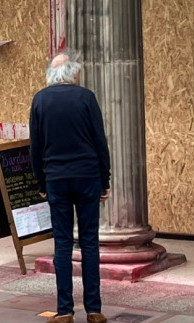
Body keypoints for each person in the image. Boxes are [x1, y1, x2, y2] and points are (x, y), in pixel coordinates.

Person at [29, 50, 111, 323]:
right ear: (73, 72)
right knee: (89, 243)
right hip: (87, 176)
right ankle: (94, 309)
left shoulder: (40, 100)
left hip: (56, 179)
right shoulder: (86, 98)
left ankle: (64, 310)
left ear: (51, 75)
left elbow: (36, 147)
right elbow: (100, 141)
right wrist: (105, 179)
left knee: (62, 245)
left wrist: (41, 181)